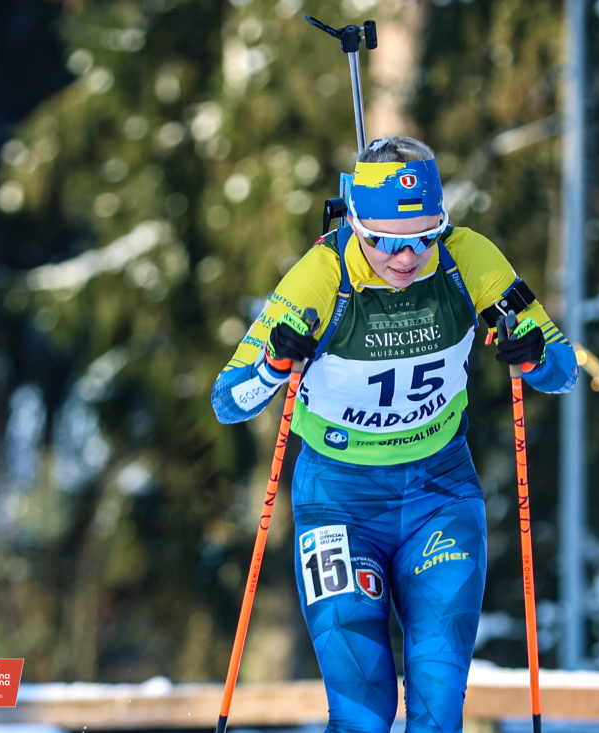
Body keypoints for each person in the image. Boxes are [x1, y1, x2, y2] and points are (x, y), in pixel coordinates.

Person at [211, 136, 577, 733]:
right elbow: (228, 400)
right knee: (363, 706)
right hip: (336, 503)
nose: (406, 257)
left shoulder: (468, 260)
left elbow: (565, 371)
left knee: (438, 700)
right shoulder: (321, 277)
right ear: (355, 224)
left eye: (424, 238)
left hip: (439, 494)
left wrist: (533, 355)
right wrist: (273, 366)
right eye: (384, 241)